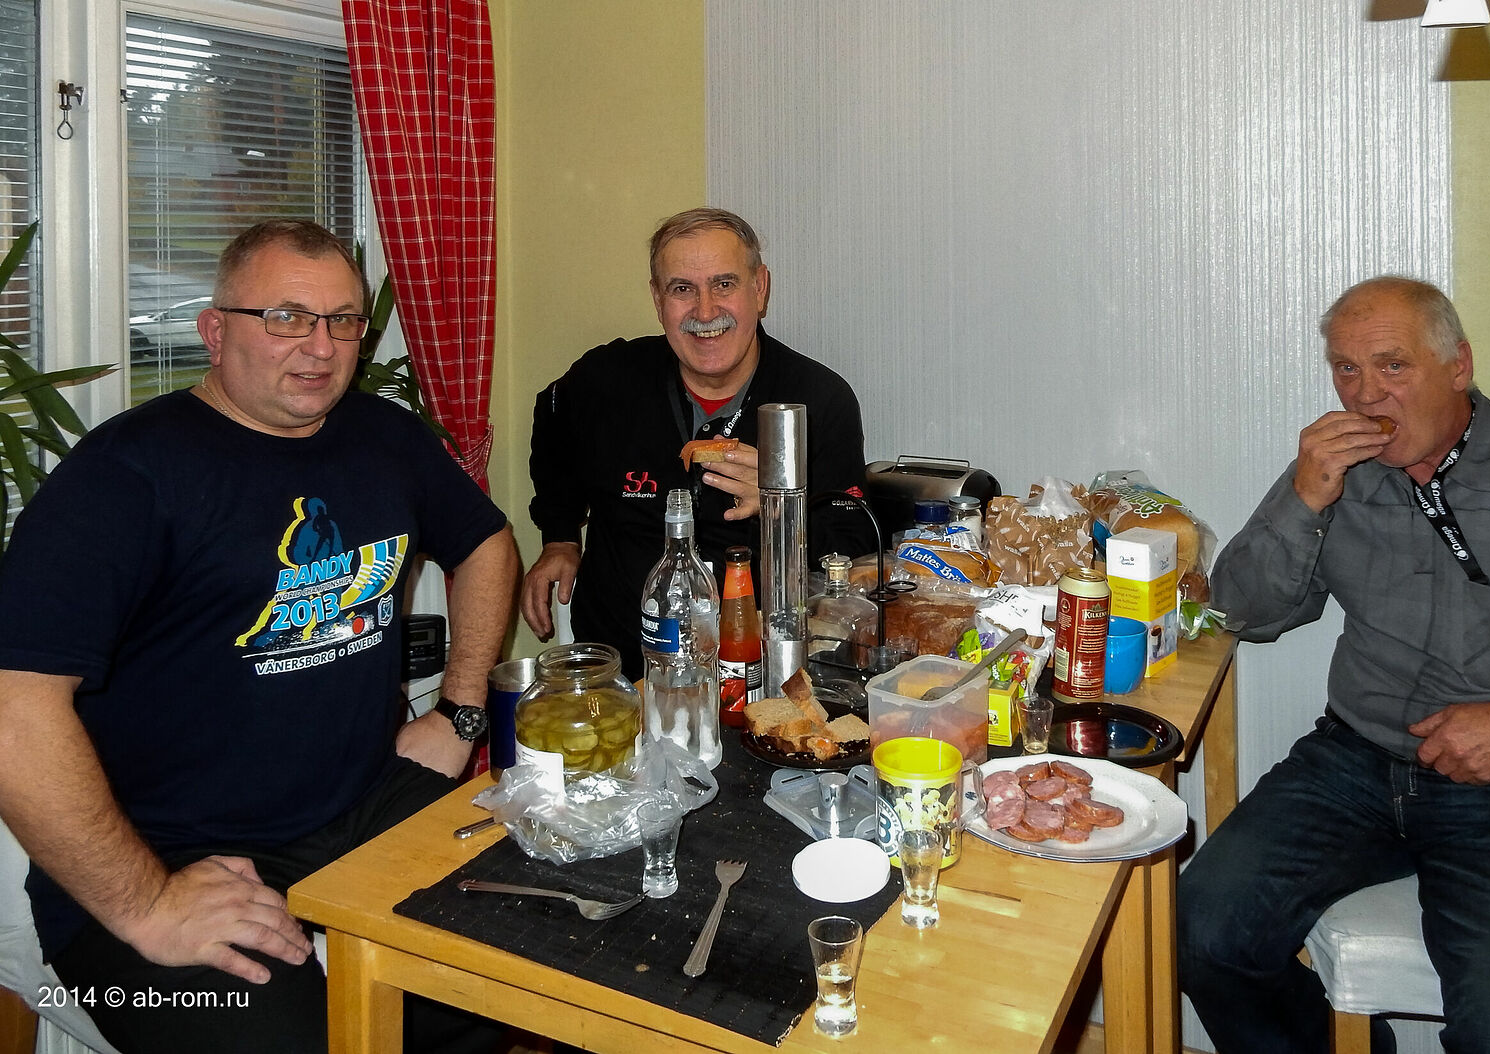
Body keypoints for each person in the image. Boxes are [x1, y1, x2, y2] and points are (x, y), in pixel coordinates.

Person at [0, 221, 520, 1054]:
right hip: (171, 856)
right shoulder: (124, 476)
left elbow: (487, 544)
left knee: (521, 970)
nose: (320, 347)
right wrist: (148, 904)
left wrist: (460, 712)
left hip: (365, 805)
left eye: (342, 320)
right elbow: (14, 711)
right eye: (286, 317)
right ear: (215, 331)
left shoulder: (382, 435)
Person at [1177, 276, 1490, 1054]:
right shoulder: (1337, 466)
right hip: (1354, 763)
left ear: (1458, 366)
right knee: (1201, 928)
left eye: (1392, 366)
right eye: (1346, 369)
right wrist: (1304, 499)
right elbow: (1243, 614)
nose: (1366, 394)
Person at [521, 207, 875, 679]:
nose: (705, 312)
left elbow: (852, 551)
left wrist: (783, 508)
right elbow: (552, 424)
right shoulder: (605, 380)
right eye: (682, 289)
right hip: (620, 672)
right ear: (657, 299)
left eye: (724, 284)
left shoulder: (818, 401)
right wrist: (560, 536)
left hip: (762, 672)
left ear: (760, 288)